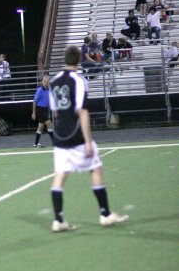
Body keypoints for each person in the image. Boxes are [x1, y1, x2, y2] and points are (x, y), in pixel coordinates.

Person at [48, 46, 129, 232]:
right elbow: (82, 111)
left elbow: (55, 111)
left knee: (60, 176)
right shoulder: (78, 80)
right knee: (96, 169)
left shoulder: (53, 81)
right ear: (79, 60)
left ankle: (58, 219)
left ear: (64, 58)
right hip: (76, 134)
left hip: (60, 136)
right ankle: (105, 214)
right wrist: (88, 140)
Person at [31, 75, 54, 147]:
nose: (46, 82)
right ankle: (55, 142)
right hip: (40, 109)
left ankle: (35, 144)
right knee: (49, 124)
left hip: (45, 109)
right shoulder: (40, 90)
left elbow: (48, 101)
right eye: (44, 81)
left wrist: (49, 109)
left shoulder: (49, 90)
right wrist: (34, 113)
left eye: (47, 81)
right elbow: (34, 102)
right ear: (42, 81)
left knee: (40, 126)